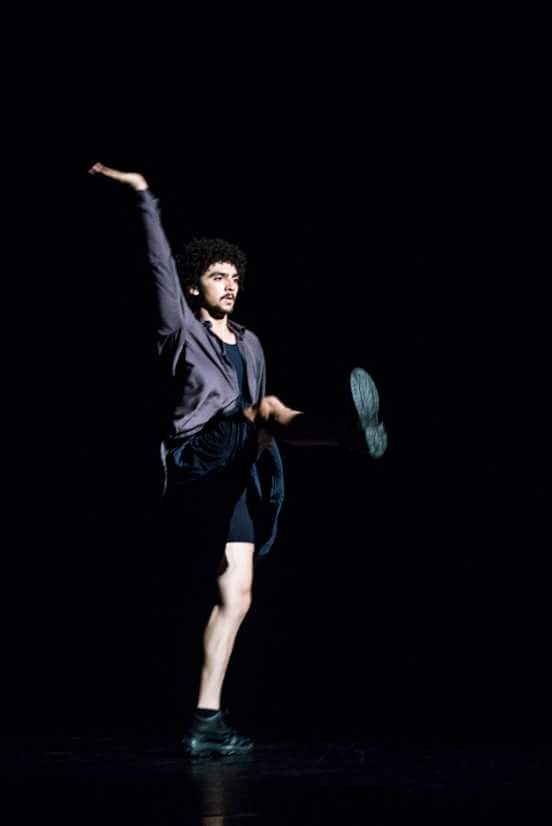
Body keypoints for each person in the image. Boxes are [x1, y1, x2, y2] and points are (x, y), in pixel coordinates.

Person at [88, 162, 388, 756]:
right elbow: (157, 265)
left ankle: (206, 721)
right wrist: (143, 195)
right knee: (265, 410)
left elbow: (260, 423)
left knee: (238, 595)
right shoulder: (179, 330)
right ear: (193, 287)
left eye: (234, 277)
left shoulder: (251, 342)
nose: (229, 285)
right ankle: (344, 434)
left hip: (238, 468)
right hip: (198, 453)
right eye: (216, 276)